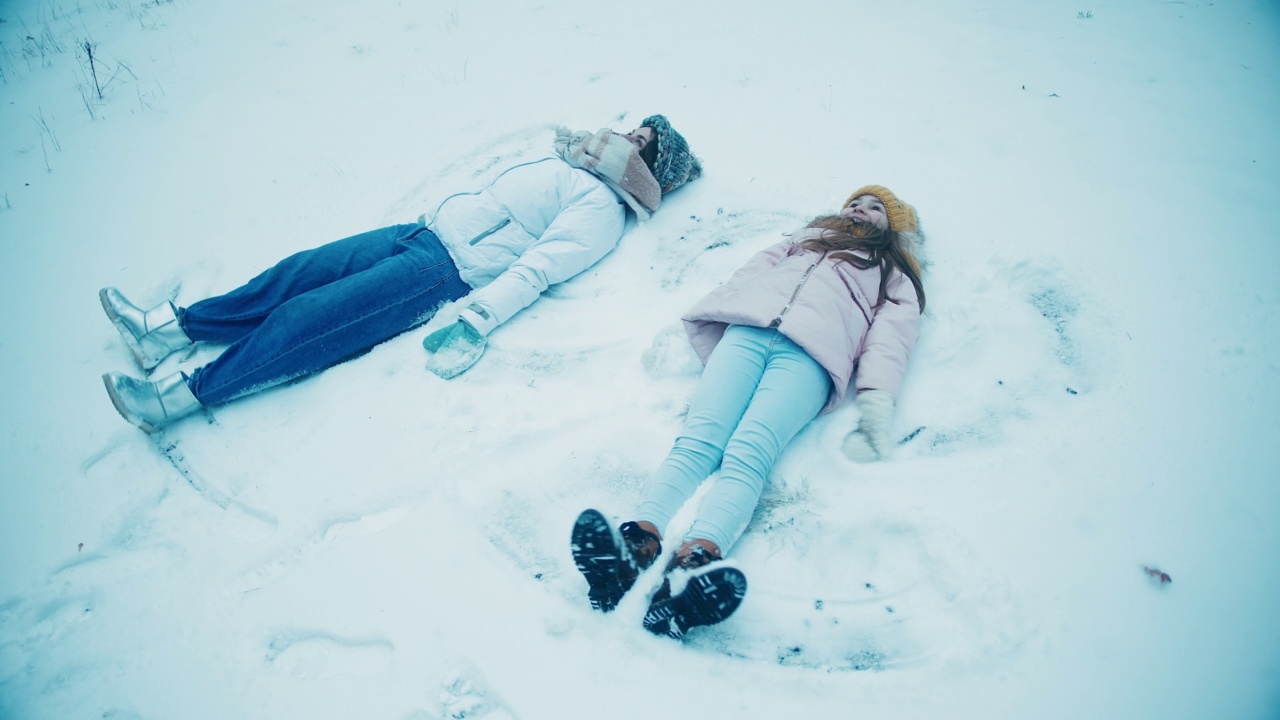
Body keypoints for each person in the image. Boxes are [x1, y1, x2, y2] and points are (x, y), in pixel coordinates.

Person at [100, 115, 702, 433]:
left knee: (307, 320)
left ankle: (177, 399)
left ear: (645, 163)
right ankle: (167, 331)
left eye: (639, 137)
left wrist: (477, 319)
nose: (624, 132)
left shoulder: (601, 210)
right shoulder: (574, 164)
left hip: (441, 273)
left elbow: (539, 270)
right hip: (416, 234)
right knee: (294, 274)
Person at [571, 185, 927, 639]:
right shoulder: (805, 239)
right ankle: (633, 547)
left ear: (896, 228)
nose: (860, 208)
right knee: (697, 441)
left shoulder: (891, 270)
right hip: (746, 333)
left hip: (812, 358)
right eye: (856, 201)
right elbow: (748, 275)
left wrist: (877, 396)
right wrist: (710, 313)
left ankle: (692, 568)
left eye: (877, 207)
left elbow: (891, 336)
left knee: (748, 452)